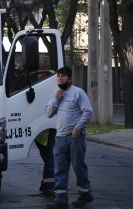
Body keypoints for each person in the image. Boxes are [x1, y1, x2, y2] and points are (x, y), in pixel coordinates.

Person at [45, 67, 93, 208]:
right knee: (59, 168)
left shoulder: (78, 92)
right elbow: (48, 113)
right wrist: (56, 99)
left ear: (69, 78)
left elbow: (88, 112)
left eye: (63, 76)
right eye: (58, 76)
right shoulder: (56, 94)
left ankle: (85, 194)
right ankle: (60, 199)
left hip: (75, 137)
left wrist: (78, 128)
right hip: (59, 137)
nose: (60, 78)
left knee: (78, 166)